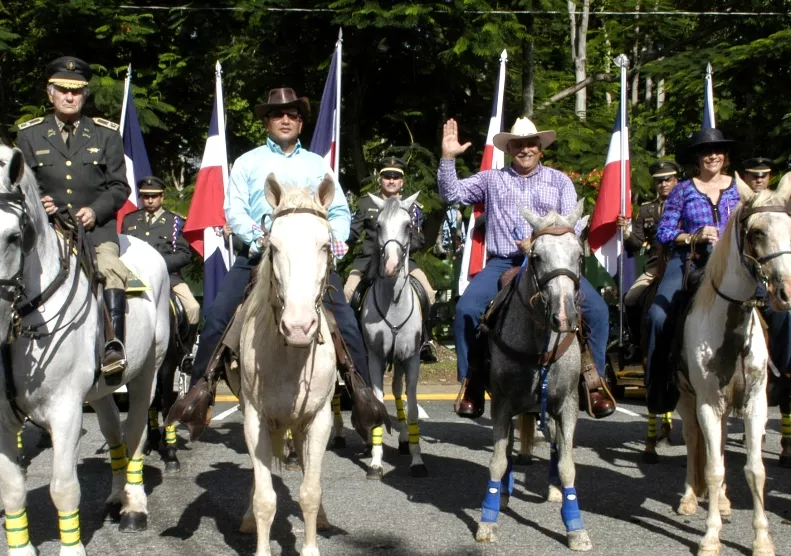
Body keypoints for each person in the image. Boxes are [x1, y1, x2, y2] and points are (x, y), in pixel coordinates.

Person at [168, 87, 387, 434]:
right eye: (277, 114)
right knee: (216, 317)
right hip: (257, 257)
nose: (285, 119)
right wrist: (257, 238)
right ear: (267, 122)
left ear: (301, 123)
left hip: (309, 262)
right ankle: (200, 392)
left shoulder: (317, 165)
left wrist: (333, 237)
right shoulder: (248, 162)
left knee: (345, 320)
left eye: (293, 114)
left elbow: (341, 211)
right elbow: (234, 209)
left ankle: (362, 393)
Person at [438, 117, 614, 419]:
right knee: (467, 310)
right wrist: (448, 158)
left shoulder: (560, 181)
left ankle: (592, 382)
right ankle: (473, 382)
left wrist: (539, 240)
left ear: (540, 148)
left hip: (552, 262)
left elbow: (571, 225)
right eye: (518, 144)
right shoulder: (490, 180)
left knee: (597, 312)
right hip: (504, 261)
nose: (525, 149)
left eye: (530, 143)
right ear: (509, 149)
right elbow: (450, 194)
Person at [16, 56, 132, 374]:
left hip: (94, 231)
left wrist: (95, 212)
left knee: (111, 269)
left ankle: (112, 346)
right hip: (47, 229)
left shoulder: (106, 135)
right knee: (12, 272)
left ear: (84, 94)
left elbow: (120, 187)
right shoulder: (30, 135)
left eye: (76, 91)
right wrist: (39, 203)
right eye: (63, 91)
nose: (70, 97)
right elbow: (22, 185)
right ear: (50, 93)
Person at [646, 128, 740, 413]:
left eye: (718, 151)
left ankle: (780, 377)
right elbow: (663, 231)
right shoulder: (682, 190)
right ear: (697, 158)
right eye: (706, 151)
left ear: (725, 156)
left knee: (778, 307)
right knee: (657, 316)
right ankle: (660, 383)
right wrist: (693, 236)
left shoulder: (739, 187)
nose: (713, 155)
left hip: (735, 262)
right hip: (690, 260)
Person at [343, 156, 438, 361]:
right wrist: (338, 242)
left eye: (396, 177)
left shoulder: (412, 206)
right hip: (367, 260)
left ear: (402, 181)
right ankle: (353, 345)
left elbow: (419, 238)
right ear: (380, 179)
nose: (391, 181)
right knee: (348, 294)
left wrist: (400, 248)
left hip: (404, 261)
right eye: (387, 176)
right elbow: (353, 233)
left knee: (428, 292)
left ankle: (424, 341)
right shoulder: (367, 203)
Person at [122, 176, 200, 342]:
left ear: (162, 197)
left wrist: (158, 265)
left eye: (154, 196)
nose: (150, 200)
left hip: (167, 276)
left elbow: (184, 254)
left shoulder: (175, 221)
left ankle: (186, 351)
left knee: (193, 307)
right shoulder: (129, 220)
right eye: (146, 197)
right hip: (132, 276)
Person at [616, 160, 680, 340]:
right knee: (630, 299)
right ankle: (637, 342)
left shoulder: (687, 205)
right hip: (655, 267)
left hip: (683, 263)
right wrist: (626, 231)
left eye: (668, 179)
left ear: (676, 180)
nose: (663, 184)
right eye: (659, 181)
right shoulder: (646, 209)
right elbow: (636, 243)